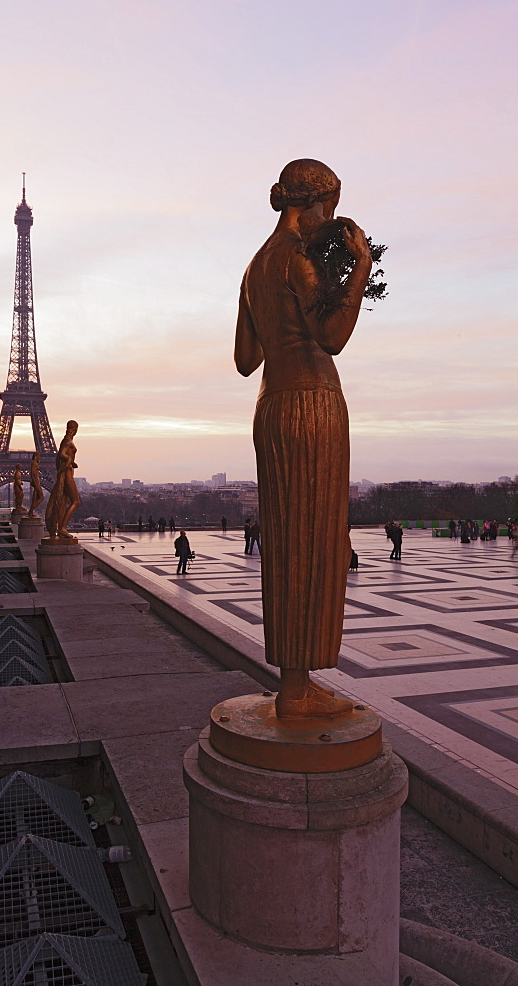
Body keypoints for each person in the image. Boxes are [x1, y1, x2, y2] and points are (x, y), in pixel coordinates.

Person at [235, 158, 372, 717]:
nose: (332, 219)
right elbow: (334, 337)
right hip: (312, 404)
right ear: (314, 203)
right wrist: (357, 269)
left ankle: (295, 678)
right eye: (332, 208)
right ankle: (296, 689)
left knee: (287, 539)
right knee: (314, 536)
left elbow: (246, 360)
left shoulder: (255, 266)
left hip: (272, 406)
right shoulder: (297, 257)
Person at [44, 420, 80, 540]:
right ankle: (62, 528)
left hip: (66, 471)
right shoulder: (68, 441)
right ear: (74, 429)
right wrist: (70, 460)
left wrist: (72, 462)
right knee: (75, 501)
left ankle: (60, 529)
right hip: (67, 473)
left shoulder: (66, 440)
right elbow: (61, 454)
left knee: (63, 502)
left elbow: (61, 455)